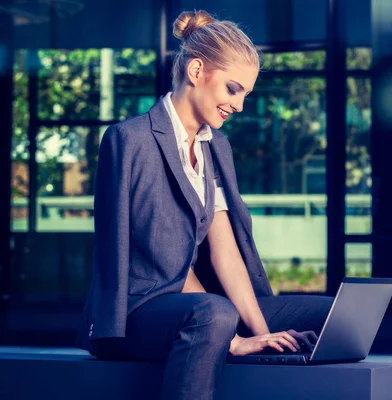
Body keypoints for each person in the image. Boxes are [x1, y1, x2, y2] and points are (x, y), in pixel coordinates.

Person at [77, 10, 333, 400]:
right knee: (215, 315)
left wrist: (263, 334)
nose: (240, 105)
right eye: (233, 89)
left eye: (246, 94)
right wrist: (234, 337)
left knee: (328, 315)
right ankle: (220, 342)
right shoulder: (130, 140)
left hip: (197, 306)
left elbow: (226, 252)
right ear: (197, 71)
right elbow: (160, 256)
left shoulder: (215, 146)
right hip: (136, 310)